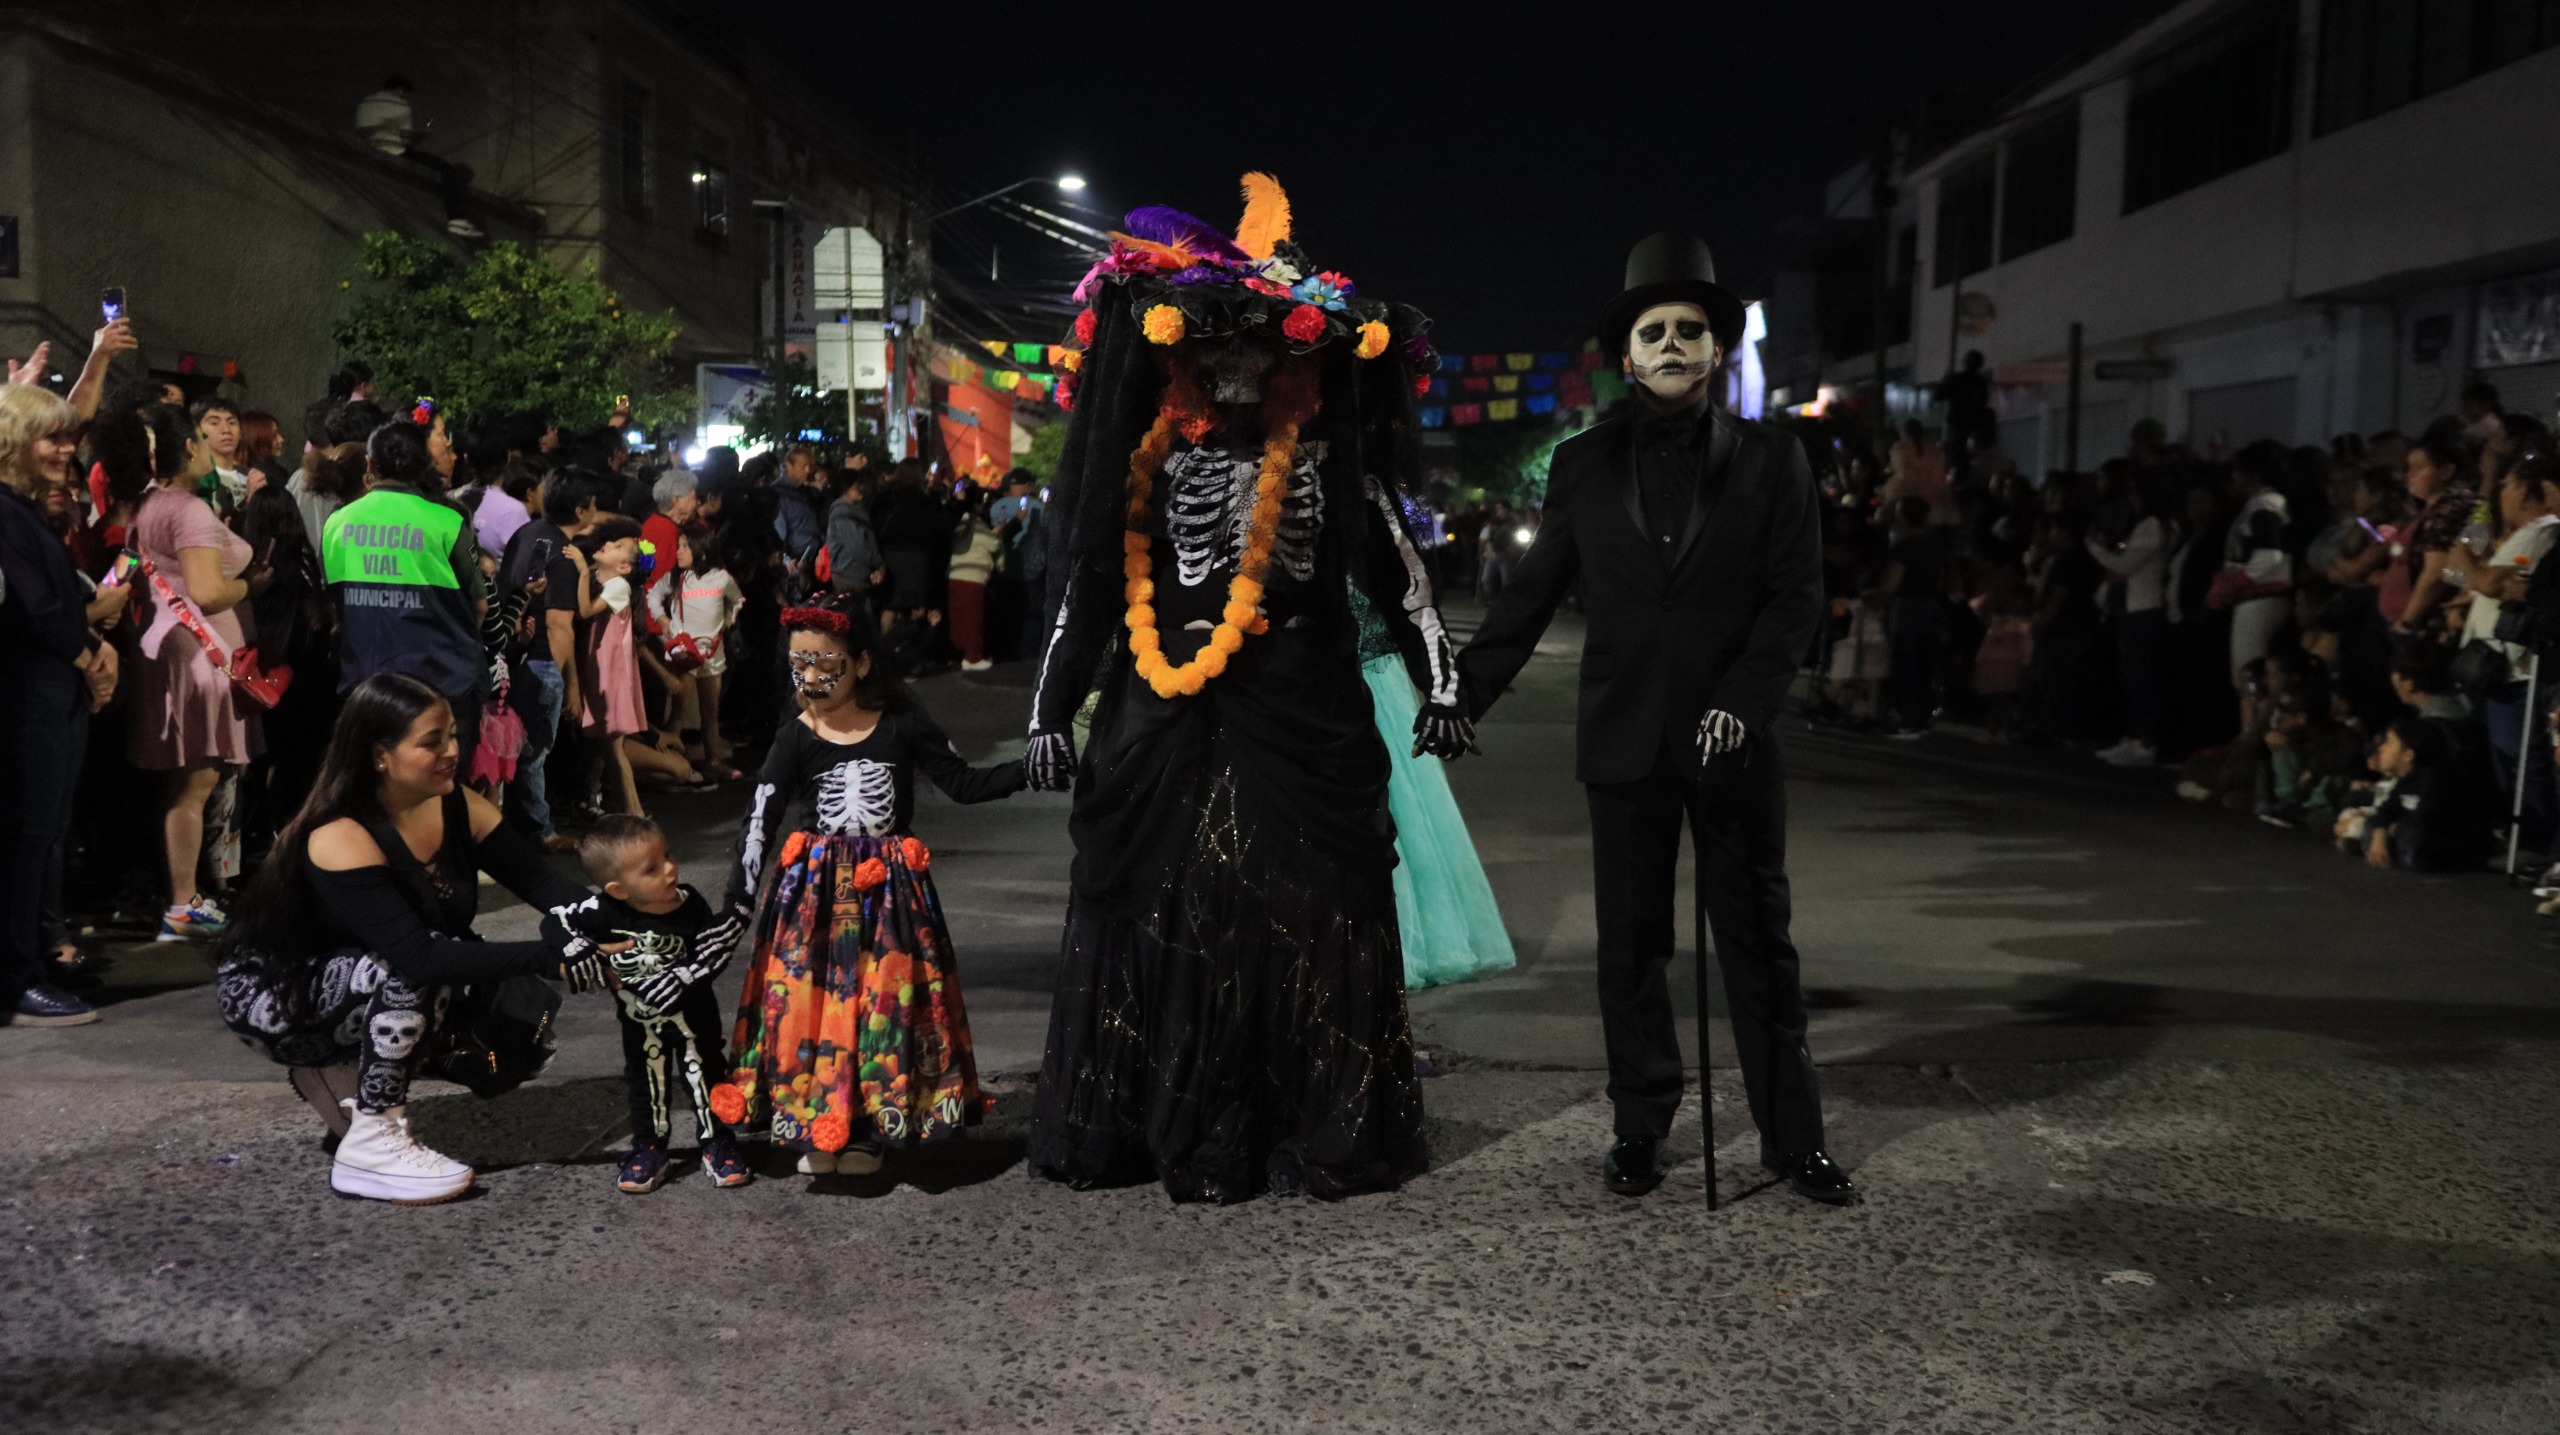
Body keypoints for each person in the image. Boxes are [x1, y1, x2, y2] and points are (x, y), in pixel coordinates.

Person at [1021, 176, 1459, 1202]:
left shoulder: (1327, 465)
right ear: (1175, 355)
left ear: (1286, 355)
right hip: (1162, 717)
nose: (1228, 368)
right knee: (1167, 906)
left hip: (1299, 715)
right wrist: (1046, 710)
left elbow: (1403, 582)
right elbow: (1088, 590)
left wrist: (1444, 687)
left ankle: (1308, 1116)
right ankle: (1155, 1120)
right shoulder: (1140, 465)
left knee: (1302, 909)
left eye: (1249, 348)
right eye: (1207, 349)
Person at [1455, 231, 1856, 1205]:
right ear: (1627, 355)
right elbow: (1531, 594)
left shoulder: (1774, 458)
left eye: (1690, 329)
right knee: (1631, 949)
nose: (1672, 343)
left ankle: (1791, 1136)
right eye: (1653, 331)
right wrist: (1458, 696)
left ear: (1717, 350)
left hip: (1731, 741)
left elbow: (1795, 598)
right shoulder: (1583, 463)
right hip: (1623, 737)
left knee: (1758, 941)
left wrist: (1742, 700)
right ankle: (1639, 1124)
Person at [213, 675, 639, 1204]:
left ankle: (337, 1075)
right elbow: (420, 954)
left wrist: (635, 922)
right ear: (379, 756)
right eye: (431, 741)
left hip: (350, 976)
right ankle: (372, 1140)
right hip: (274, 994)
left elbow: (545, 886)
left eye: (452, 737)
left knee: (510, 1039)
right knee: (416, 972)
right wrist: (558, 960)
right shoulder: (340, 834)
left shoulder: (457, 804)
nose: (452, 752)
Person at [718, 594, 1025, 1175]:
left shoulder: (902, 723)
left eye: (824, 662)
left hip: (891, 900)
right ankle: (817, 1119)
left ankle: (870, 1126)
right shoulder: (795, 737)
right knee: (815, 1009)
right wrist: (736, 902)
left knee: (883, 1005)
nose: (809, 677)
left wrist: (1028, 770)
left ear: (861, 663)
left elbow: (960, 782)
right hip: (811, 899)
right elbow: (760, 817)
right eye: (799, 663)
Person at [1, 383, 123, 1026]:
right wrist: (90, 656)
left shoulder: (23, 511)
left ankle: (30, 964)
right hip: (28, 697)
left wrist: (93, 652)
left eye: (67, 437)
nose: (66, 449)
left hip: (52, 693)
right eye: (51, 436)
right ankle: (16, 980)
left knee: (43, 834)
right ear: (14, 441)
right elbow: (31, 611)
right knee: (28, 837)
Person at [122, 403, 265, 941]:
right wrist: (252, 585)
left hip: (169, 651)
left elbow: (127, 568)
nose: (213, 447)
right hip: (201, 658)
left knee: (183, 783)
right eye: (205, 440)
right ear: (189, 447)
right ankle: (183, 902)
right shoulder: (188, 510)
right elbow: (206, 591)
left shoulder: (147, 505)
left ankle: (182, 897)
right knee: (198, 781)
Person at [568, 815, 750, 1193]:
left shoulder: (689, 904)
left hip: (695, 1019)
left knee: (706, 1076)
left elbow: (709, 953)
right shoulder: (603, 912)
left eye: (667, 856)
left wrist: (691, 973)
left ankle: (717, 1140)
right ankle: (649, 1147)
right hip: (639, 1022)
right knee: (645, 1083)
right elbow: (558, 924)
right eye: (652, 868)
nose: (669, 869)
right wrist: (576, 949)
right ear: (618, 889)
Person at [1351, 585, 1515, 989]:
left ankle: (1403, 940)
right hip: (1305, 671)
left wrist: (1447, 695)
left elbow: (1415, 588)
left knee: (1399, 809)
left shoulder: (1386, 524)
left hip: (1373, 673)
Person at [322, 420, 491, 770]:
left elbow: (337, 604)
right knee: (442, 788)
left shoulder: (337, 523)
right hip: (442, 681)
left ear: (369, 465)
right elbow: (480, 605)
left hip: (367, 685)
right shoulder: (446, 521)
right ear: (423, 465)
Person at [497, 467, 608, 850]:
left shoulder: (527, 534)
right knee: (533, 751)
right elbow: (560, 626)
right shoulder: (563, 554)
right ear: (581, 511)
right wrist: (558, 679)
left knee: (513, 749)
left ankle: (519, 825)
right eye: (593, 504)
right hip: (540, 660)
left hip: (511, 655)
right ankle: (540, 832)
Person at [2090, 473, 2176, 766]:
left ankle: (2144, 740)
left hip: (2143, 605)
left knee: (2140, 676)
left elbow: (2126, 563)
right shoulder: (2161, 525)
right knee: (2135, 675)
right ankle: (2136, 736)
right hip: (2140, 604)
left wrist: (2095, 548)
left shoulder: (2151, 525)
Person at [651, 530, 744, 778]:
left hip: (713, 654)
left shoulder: (721, 578)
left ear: (701, 550)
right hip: (684, 655)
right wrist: (662, 619)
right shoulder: (676, 577)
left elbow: (736, 600)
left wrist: (725, 622)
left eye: (685, 546)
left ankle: (711, 760)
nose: (678, 551)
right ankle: (672, 766)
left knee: (711, 710)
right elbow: (653, 595)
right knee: (679, 711)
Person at [2218, 441, 2294, 686]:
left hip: (2258, 601)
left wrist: (2233, 584)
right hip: (2253, 598)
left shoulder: (2266, 505)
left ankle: (2255, 721)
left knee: (2249, 675)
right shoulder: (2261, 504)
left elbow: (2269, 556)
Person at [1879, 494, 1948, 738]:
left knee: (1904, 663)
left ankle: (1907, 720)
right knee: (1923, 664)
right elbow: (1943, 581)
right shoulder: (1935, 546)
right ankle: (1922, 718)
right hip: (1930, 607)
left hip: (1907, 608)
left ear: (1905, 516)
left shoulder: (1903, 547)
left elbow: (1890, 586)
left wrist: (1875, 596)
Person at [946, 484, 1002, 671]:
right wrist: (998, 532)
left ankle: (957, 652)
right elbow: (992, 544)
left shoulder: (955, 519)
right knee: (972, 617)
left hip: (955, 572)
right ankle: (972, 657)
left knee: (958, 616)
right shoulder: (975, 522)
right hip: (973, 575)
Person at [639, 469, 696, 597]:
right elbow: (662, 579)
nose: (697, 503)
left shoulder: (654, 521)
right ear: (677, 500)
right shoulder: (668, 531)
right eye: (693, 496)